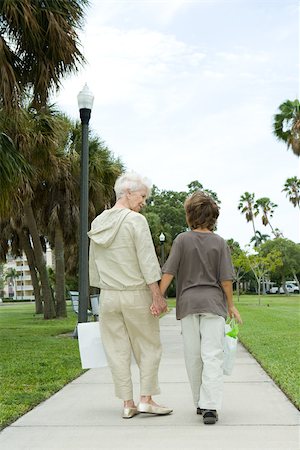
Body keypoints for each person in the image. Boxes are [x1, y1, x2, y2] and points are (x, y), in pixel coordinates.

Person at [88, 171, 172, 419]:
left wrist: (100, 290)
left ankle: (127, 403)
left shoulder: (98, 223)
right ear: (127, 192)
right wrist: (157, 296)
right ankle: (146, 399)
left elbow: (94, 263)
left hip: (108, 297)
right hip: (135, 294)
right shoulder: (136, 221)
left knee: (116, 350)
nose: (144, 202)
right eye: (142, 196)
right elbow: (147, 261)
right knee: (149, 346)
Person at [159, 191, 242, 425]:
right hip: (213, 305)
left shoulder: (181, 240)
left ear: (190, 215)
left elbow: (169, 272)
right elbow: (226, 279)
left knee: (193, 357)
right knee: (212, 356)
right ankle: (210, 406)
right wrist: (231, 306)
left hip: (188, 305)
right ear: (213, 216)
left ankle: (200, 401)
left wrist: (158, 296)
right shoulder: (220, 242)